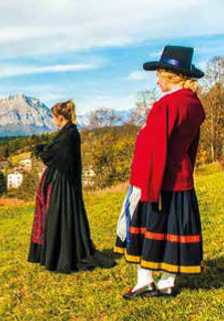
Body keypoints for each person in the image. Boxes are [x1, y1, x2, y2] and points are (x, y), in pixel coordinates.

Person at [114, 45, 206, 299]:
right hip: (181, 179)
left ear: (170, 76)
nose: (156, 80)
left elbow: (154, 149)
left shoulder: (166, 106)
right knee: (173, 232)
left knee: (150, 230)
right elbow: (189, 146)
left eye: (159, 75)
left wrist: (144, 187)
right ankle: (167, 282)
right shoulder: (193, 105)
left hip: (158, 180)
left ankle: (145, 282)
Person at [28, 100, 114, 273]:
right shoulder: (68, 132)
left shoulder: (70, 134)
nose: (53, 121)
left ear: (60, 117)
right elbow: (56, 151)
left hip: (63, 182)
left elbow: (57, 155)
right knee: (56, 217)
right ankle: (58, 253)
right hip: (61, 180)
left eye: (54, 117)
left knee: (60, 217)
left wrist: (42, 151)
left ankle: (64, 256)